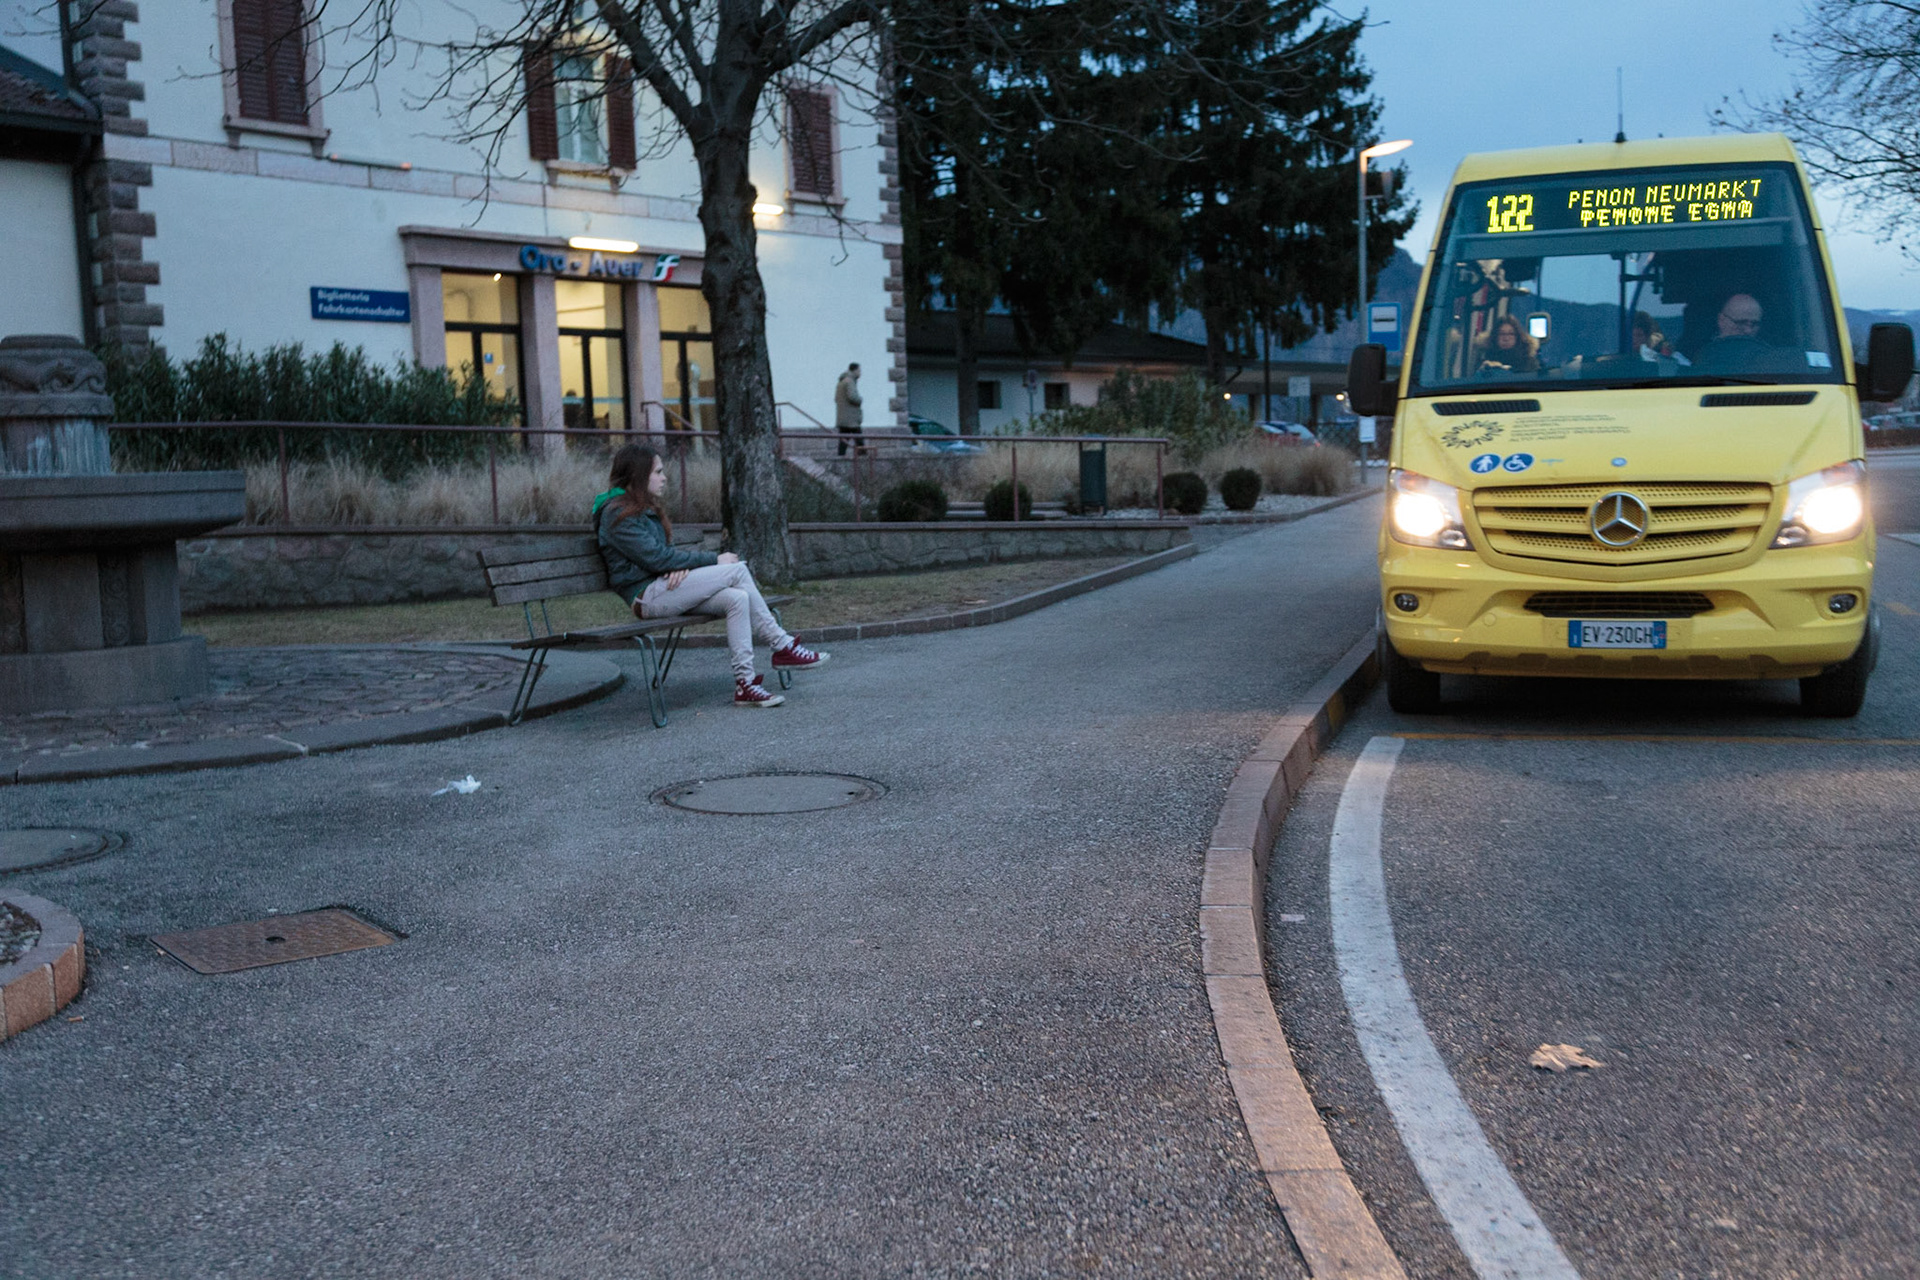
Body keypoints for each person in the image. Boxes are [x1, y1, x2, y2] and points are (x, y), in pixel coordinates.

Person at [594, 444, 828, 708]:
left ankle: (746, 684)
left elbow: (660, 556)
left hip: (664, 587)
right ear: (638, 475)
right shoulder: (616, 515)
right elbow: (656, 558)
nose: (664, 477)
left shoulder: (639, 509)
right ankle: (782, 645)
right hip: (646, 597)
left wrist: (675, 567)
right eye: (657, 472)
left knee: (736, 598)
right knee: (736, 569)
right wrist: (712, 560)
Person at [1475, 314, 1539, 376]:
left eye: (1511, 334)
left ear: (1518, 337)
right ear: (1494, 337)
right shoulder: (1485, 361)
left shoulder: (1529, 362)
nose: (1506, 338)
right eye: (1501, 334)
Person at [834, 362, 863, 456]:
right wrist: (860, 399)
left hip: (843, 417)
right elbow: (852, 397)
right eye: (859, 370)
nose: (860, 373)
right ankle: (864, 461)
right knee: (859, 440)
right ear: (854, 371)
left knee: (843, 441)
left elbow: (836, 398)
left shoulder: (841, 381)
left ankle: (839, 459)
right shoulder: (850, 381)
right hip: (851, 418)